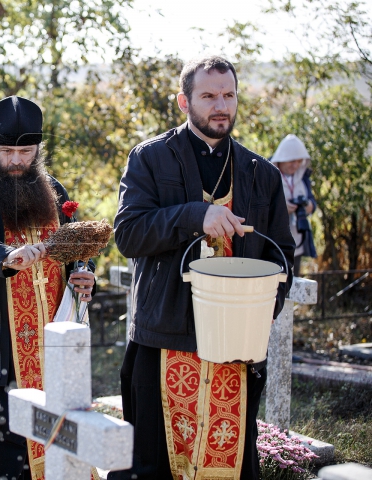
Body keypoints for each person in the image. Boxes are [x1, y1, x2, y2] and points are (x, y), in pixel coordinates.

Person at [110, 57, 295, 480]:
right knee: (154, 467)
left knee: (227, 464)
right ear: (183, 101)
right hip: (164, 338)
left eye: (228, 95)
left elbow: (282, 255)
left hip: (235, 347)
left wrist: (259, 315)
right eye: (209, 96)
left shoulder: (261, 173)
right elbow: (129, 235)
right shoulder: (150, 159)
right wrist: (195, 216)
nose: (221, 106)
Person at [0, 95, 96, 480]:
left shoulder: (53, 192)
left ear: (38, 149)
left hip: (49, 357)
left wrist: (83, 271)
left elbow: (72, 248)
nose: (14, 161)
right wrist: (6, 256)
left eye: (25, 151)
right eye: (6, 150)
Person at [270, 134, 317, 276]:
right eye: (291, 161)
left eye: (298, 161)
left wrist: (308, 206)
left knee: (294, 281)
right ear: (282, 159)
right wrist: (281, 208)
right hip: (275, 243)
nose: (295, 165)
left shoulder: (303, 177)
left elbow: (312, 203)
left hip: (298, 242)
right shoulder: (269, 175)